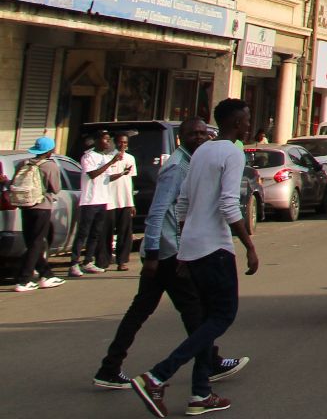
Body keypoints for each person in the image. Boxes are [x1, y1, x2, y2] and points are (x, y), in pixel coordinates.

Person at [131, 99, 260, 419]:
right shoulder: (231, 152)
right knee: (223, 315)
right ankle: (157, 376)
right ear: (235, 123)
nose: (248, 125)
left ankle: (200, 393)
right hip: (215, 248)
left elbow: (183, 203)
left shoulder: (201, 152)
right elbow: (230, 204)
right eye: (245, 121)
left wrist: (185, 243)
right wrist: (249, 244)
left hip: (192, 247)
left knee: (205, 322)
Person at [94, 119, 246, 391]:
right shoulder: (177, 166)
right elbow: (157, 211)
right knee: (195, 311)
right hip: (168, 253)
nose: (199, 138)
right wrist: (152, 253)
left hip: (171, 251)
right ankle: (203, 366)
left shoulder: (193, 161)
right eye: (192, 134)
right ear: (181, 138)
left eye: (203, 133)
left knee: (145, 311)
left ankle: (109, 367)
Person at [9, 136, 65, 292]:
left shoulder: (23, 163)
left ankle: (46, 275)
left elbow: (14, 183)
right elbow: (56, 188)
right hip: (42, 206)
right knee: (37, 242)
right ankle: (24, 280)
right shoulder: (50, 166)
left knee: (32, 242)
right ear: (50, 151)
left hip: (25, 206)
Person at [71, 128, 122, 276]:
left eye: (109, 139)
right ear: (97, 140)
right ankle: (74, 263)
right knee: (83, 233)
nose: (108, 142)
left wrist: (121, 174)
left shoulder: (105, 157)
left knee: (95, 233)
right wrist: (112, 161)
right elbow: (93, 174)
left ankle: (88, 261)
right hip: (89, 201)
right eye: (106, 139)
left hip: (102, 199)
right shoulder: (88, 157)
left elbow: (106, 177)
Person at [106, 132, 139, 271]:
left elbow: (130, 181)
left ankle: (122, 261)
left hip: (125, 201)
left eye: (125, 143)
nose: (123, 145)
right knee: (106, 231)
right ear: (115, 142)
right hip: (109, 200)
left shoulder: (130, 158)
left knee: (125, 232)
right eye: (120, 142)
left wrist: (131, 203)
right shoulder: (107, 157)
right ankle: (104, 260)